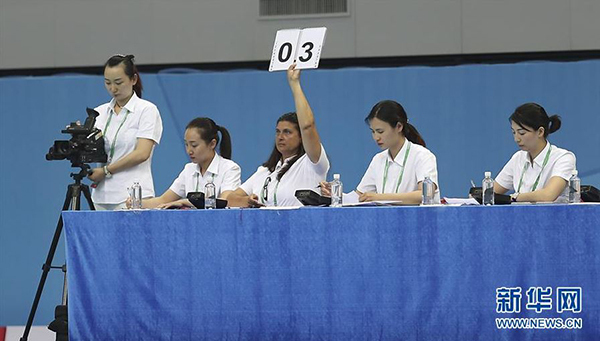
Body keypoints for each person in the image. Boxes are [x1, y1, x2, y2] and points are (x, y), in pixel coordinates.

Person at [227, 64, 330, 207]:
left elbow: (307, 126)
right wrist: (247, 201)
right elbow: (230, 199)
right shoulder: (264, 171)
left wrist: (295, 84)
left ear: (301, 138)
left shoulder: (312, 163)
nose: (280, 137)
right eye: (278, 132)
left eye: (287, 132)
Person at [322, 100, 440, 204]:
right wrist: (335, 194)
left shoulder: (422, 156)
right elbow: (359, 197)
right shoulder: (378, 159)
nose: (376, 137)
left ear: (399, 127)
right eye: (373, 131)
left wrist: (380, 198)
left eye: (380, 131)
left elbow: (425, 194)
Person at [88, 54, 163, 210]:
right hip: (101, 196)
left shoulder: (147, 110)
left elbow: (142, 153)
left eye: (118, 82)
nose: (113, 88)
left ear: (133, 79)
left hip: (132, 195)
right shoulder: (98, 112)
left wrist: (106, 171)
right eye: (107, 83)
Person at [141, 117, 241, 209]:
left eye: (194, 145)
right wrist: (138, 203)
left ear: (212, 144)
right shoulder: (189, 169)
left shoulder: (230, 168)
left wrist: (184, 202)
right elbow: (163, 200)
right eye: (186, 145)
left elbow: (225, 202)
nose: (189, 150)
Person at [494, 103, 576, 202]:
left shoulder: (563, 158)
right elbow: (492, 191)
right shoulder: (518, 157)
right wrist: (478, 194)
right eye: (513, 132)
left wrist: (513, 198)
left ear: (540, 132)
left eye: (522, 133)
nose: (516, 139)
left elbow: (548, 195)